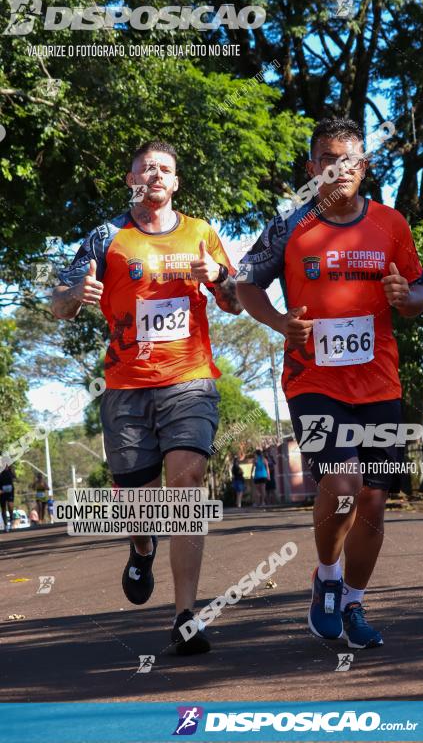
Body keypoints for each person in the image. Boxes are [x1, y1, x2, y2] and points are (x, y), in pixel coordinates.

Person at [237, 117, 423, 649]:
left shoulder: (391, 224)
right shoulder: (289, 227)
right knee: (342, 485)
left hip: (380, 385)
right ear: (312, 168)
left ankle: (354, 603)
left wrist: (402, 297)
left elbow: (417, 293)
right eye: (328, 160)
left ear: (363, 168)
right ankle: (326, 575)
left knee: (373, 500)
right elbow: (245, 282)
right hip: (312, 381)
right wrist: (280, 324)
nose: (339, 169)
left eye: (349, 160)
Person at [51, 140, 241, 656]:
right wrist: (74, 296)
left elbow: (235, 301)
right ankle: (141, 546)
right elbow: (58, 303)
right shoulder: (104, 236)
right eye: (146, 167)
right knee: (138, 502)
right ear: (130, 179)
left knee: (187, 482)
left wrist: (219, 277)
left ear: (176, 182)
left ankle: (185, 615)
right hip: (126, 387)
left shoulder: (202, 234)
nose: (156, 174)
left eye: (165, 168)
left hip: (189, 379)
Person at [0, 464, 15, 532]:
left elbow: (14, 477)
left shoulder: (10, 470)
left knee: (10, 505)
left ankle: (11, 518)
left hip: (10, 488)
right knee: (3, 507)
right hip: (1, 489)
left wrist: (11, 470)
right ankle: (6, 525)